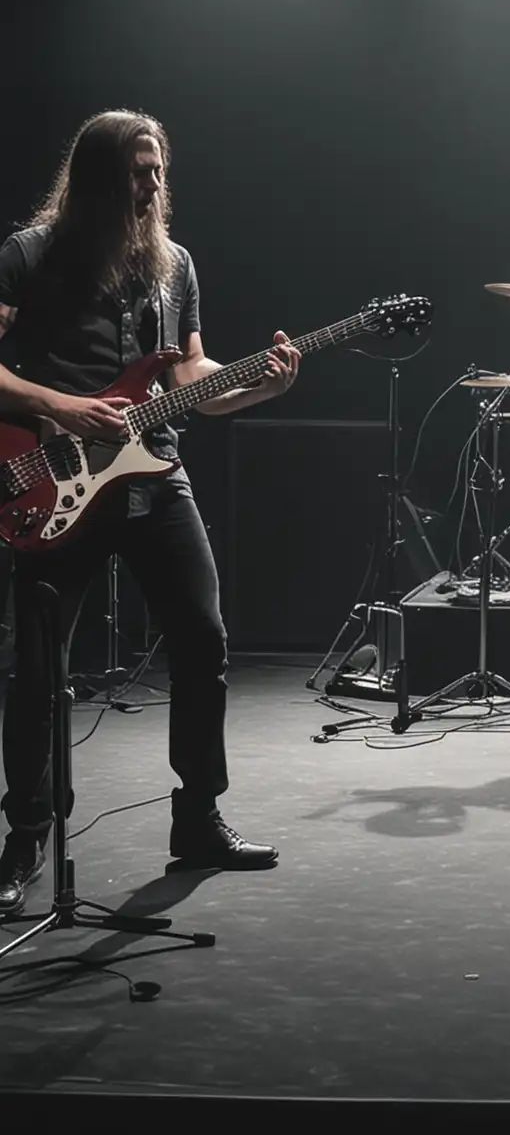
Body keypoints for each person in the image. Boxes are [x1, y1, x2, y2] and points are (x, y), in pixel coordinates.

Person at [0, 111, 301, 917]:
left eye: (160, 169)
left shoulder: (174, 265)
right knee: (36, 669)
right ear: (99, 175)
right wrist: (64, 405)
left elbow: (192, 373)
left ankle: (197, 819)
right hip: (55, 481)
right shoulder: (29, 255)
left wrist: (260, 385)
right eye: (140, 171)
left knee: (203, 640)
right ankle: (27, 832)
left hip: (156, 475)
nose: (155, 185)